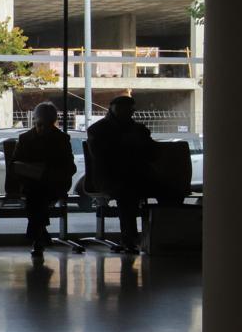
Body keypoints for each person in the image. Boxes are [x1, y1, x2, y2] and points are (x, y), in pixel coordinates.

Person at [86, 94, 167, 253]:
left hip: (134, 176)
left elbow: (153, 153)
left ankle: (161, 236)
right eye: (124, 110)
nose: (127, 113)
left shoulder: (137, 130)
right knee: (127, 194)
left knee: (170, 191)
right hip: (111, 177)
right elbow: (102, 159)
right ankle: (129, 239)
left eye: (128, 110)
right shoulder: (99, 130)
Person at [12, 102, 76, 255]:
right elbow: (14, 165)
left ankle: (37, 237)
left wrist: (45, 172)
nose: (42, 128)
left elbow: (70, 167)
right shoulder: (60, 138)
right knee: (38, 195)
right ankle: (40, 235)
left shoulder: (28, 138)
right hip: (42, 184)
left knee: (36, 195)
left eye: (45, 124)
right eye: (40, 124)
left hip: (49, 183)